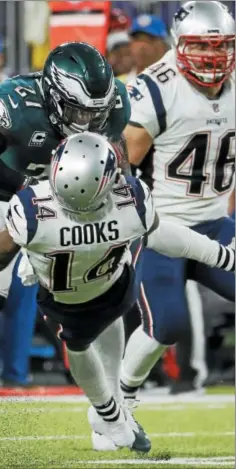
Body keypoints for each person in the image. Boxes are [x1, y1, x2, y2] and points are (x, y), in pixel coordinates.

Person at [0, 41, 131, 458]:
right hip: (9, 201)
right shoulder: (21, 102)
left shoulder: (114, 105)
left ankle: (114, 412)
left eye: (96, 113)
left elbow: (116, 158)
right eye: (78, 111)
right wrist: (30, 194)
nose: (88, 122)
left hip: (75, 213)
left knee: (102, 298)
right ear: (52, 96)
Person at [0, 132, 234, 452]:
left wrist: (20, 241)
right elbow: (160, 234)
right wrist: (220, 255)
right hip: (116, 285)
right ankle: (112, 414)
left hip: (65, 300)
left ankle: (110, 411)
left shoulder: (32, 211)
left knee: (79, 347)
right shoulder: (131, 202)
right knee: (102, 334)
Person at [120, 0, 235, 406]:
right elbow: (121, 166)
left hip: (215, 223)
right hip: (162, 228)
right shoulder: (156, 87)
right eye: (202, 47)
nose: (212, 56)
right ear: (179, 44)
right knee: (166, 323)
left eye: (221, 46)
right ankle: (120, 401)